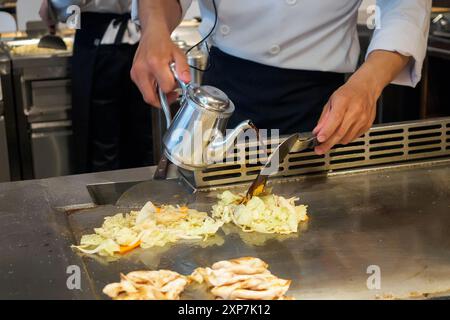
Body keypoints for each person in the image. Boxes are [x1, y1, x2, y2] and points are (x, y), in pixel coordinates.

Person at [130, 0, 431, 155]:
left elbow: (404, 7)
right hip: (224, 94)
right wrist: (154, 27)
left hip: (321, 109)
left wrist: (368, 84)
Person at [40, 0, 154, 173]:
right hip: (140, 42)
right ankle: (143, 197)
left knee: (101, 144)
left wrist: (51, 5)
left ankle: (105, 198)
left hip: (98, 45)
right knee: (139, 140)